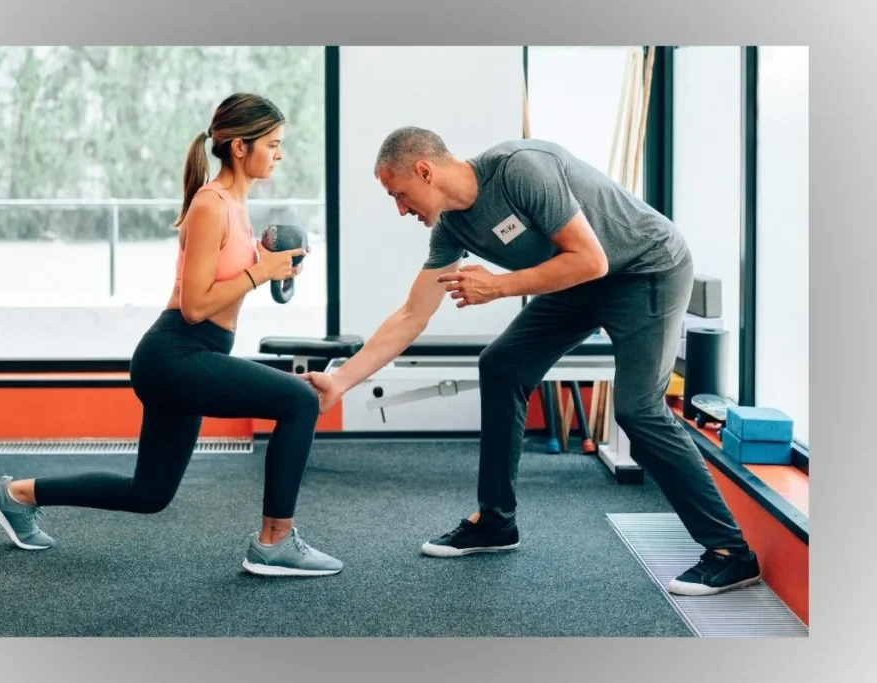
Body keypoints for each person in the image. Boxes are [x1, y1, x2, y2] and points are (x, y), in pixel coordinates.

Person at [304, 127, 761, 596]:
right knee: (501, 365)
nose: (400, 209)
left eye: (399, 194)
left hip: (646, 269)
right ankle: (496, 522)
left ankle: (731, 553)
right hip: (580, 281)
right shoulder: (451, 228)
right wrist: (341, 380)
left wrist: (499, 286)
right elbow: (411, 314)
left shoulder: (521, 169)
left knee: (637, 409)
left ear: (424, 170)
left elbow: (591, 259)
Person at [0, 93, 343, 578]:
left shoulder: (237, 205)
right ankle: (274, 542)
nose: (280, 154)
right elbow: (194, 307)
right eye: (273, 144)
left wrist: (268, 264)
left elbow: (221, 288)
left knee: (149, 494)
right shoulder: (210, 205)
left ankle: (17, 494)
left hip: (195, 355)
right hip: (176, 353)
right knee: (298, 401)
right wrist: (261, 273)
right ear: (240, 147)